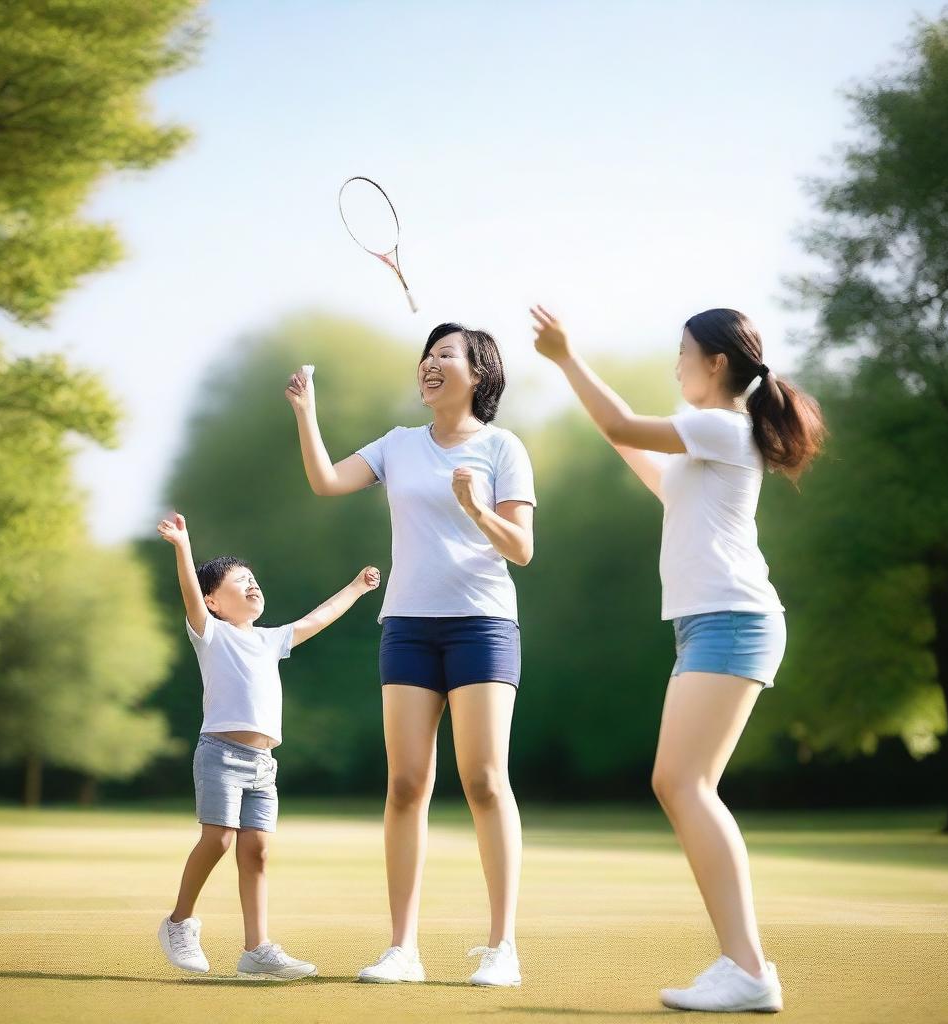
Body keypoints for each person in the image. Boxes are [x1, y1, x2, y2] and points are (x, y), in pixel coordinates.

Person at [529, 304, 825, 1013]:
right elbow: (645, 461)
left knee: (684, 785)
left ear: (716, 363)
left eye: (683, 351)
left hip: (733, 620)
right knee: (681, 784)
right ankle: (741, 963)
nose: (676, 363)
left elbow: (625, 425)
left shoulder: (722, 426)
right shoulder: (709, 445)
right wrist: (602, 414)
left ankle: (747, 967)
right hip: (708, 624)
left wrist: (567, 358)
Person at [284, 323, 535, 987]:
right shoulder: (398, 445)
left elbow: (522, 548)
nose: (429, 363)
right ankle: (402, 949)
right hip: (408, 626)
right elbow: (327, 481)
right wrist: (307, 414)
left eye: (445, 355)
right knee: (405, 785)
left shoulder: (504, 448)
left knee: (483, 781)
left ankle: (502, 947)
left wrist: (476, 508)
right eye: (427, 355)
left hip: (482, 625)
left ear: (478, 374)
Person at [155, 511, 380, 980]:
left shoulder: (270, 640)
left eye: (254, 579)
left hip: (262, 764)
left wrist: (357, 587)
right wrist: (183, 546)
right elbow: (189, 593)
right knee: (217, 839)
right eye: (240, 581)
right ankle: (179, 923)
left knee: (255, 852)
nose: (253, 585)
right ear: (215, 601)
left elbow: (317, 618)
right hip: (220, 753)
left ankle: (255, 948)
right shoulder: (210, 633)